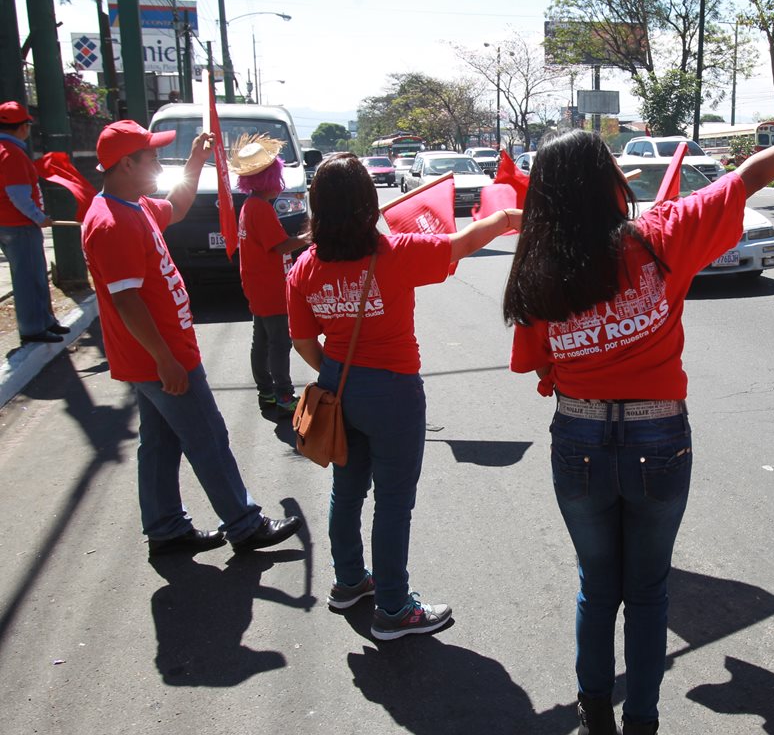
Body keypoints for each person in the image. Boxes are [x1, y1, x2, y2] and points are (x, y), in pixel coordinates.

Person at [503, 68, 774, 735]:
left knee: (597, 584)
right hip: (660, 440)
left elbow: (536, 364)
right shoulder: (662, 235)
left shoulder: (538, 267)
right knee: (649, 588)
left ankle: (594, 708)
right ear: (608, 182)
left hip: (576, 442)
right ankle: (643, 720)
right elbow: (746, 177)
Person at [286, 153, 520, 640]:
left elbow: (304, 342)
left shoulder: (303, 268)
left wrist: (339, 372)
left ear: (316, 208)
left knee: (346, 492)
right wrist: (504, 217)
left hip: (337, 385)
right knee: (393, 502)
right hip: (393, 391)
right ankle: (393, 608)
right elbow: (461, 243)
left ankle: (349, 582)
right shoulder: (394, 253)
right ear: (369, 203)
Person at [82, 119, 302, 557]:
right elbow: (127, 302)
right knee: (207, 436)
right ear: (127, 163)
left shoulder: (134, 205)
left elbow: (177, 208)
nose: (158, 164)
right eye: (151, 157)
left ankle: (165, 527)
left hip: (159, 355)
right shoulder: (111, 222)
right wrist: (164, 359)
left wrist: (198, 161)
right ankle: (244, 523)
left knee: (160, 443)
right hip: (160, 358)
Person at [228, 134, 309, 414]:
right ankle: (283, 394)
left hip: (257, 284)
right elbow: (279, 247)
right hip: (270, 287)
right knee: (279, 341)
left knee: (261, 340)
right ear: (268, 179)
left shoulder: (250, 206)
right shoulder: (260, 209)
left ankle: (266, 392)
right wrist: (308, 238)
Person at [0, 101, 68, 344]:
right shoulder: (13, 154)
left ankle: (45, 320)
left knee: (34, 274)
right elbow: (18, 195)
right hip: (20, 225)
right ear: (22, 128)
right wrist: (40, 218)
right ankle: (32, 327)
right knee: (29, 277)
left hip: (9, 224)